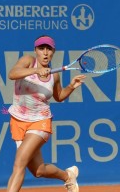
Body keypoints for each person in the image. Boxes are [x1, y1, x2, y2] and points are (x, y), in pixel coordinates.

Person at [7, 35, 86, 192]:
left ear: (53, 52)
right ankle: (68, 176)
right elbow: (12, 74)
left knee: (19, 163)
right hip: (18, 120)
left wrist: (71, 86)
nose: (45, 52)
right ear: (35, 50)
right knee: (38, 171)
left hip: (40, 122)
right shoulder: (28, 61)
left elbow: (59, 96)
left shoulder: (54, 75)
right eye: (41, 48)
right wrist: (37, 70)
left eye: (49, 49)